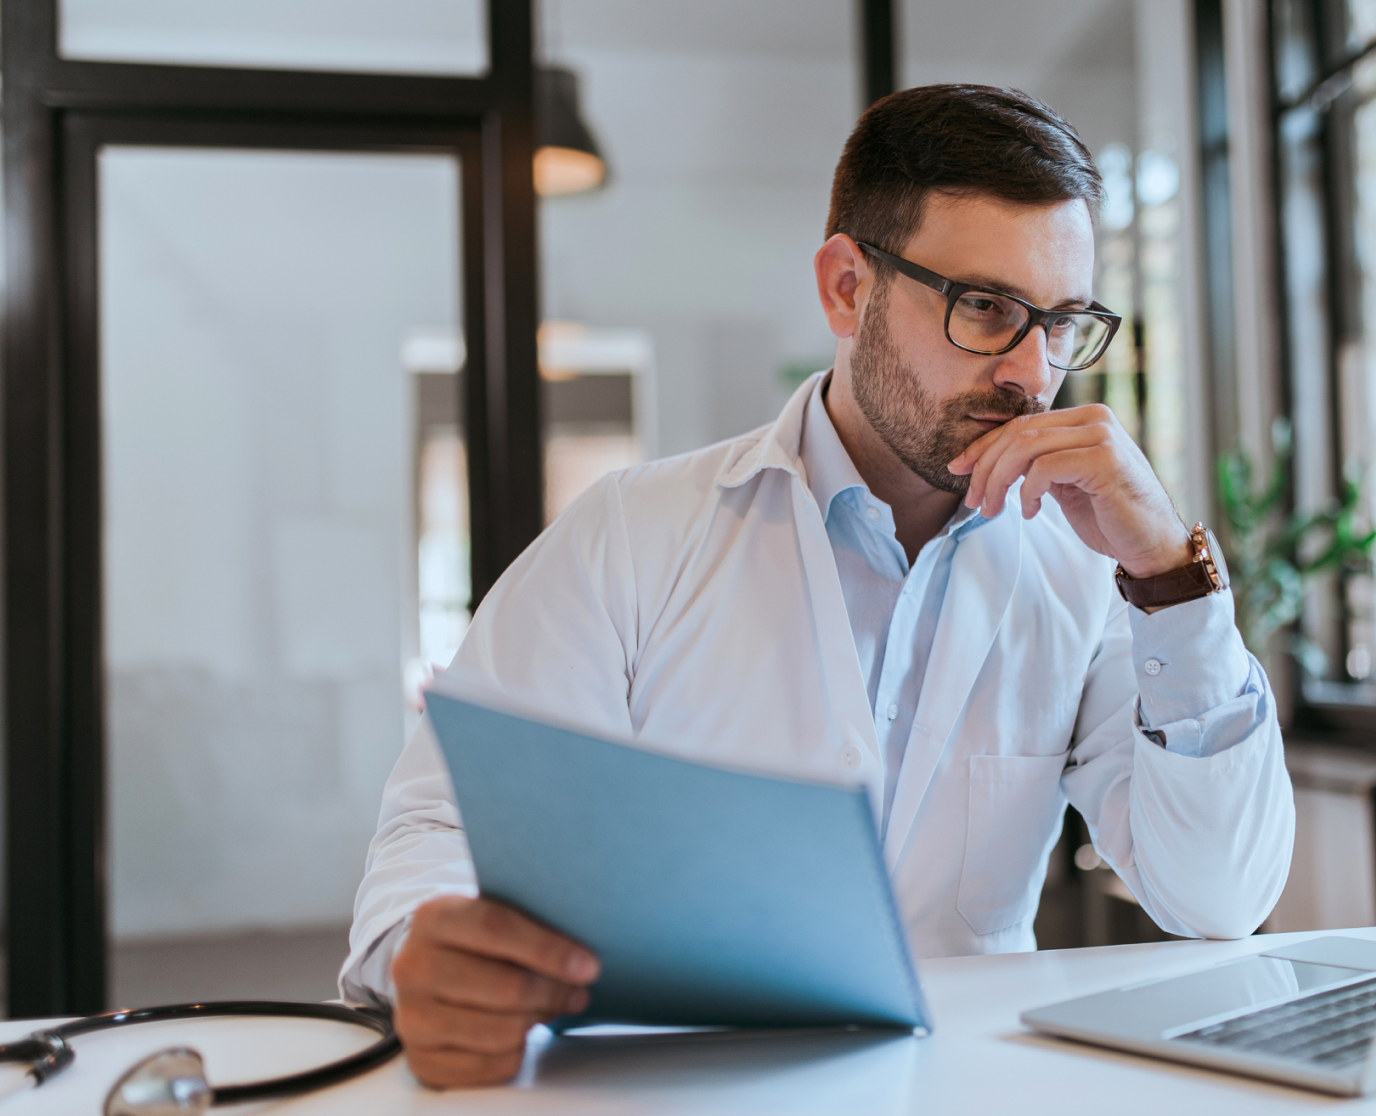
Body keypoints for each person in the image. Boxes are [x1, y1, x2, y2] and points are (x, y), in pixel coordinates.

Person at [340, 83, 1294, 1088]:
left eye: (1060, 324)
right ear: (847, 288)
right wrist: (424, 947)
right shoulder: (629, 535)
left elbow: (1219, 898)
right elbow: (440, 820)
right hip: (686, 1091)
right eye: (985, 308)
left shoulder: (1087, 574)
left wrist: (1167, 577)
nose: (1031, 371)